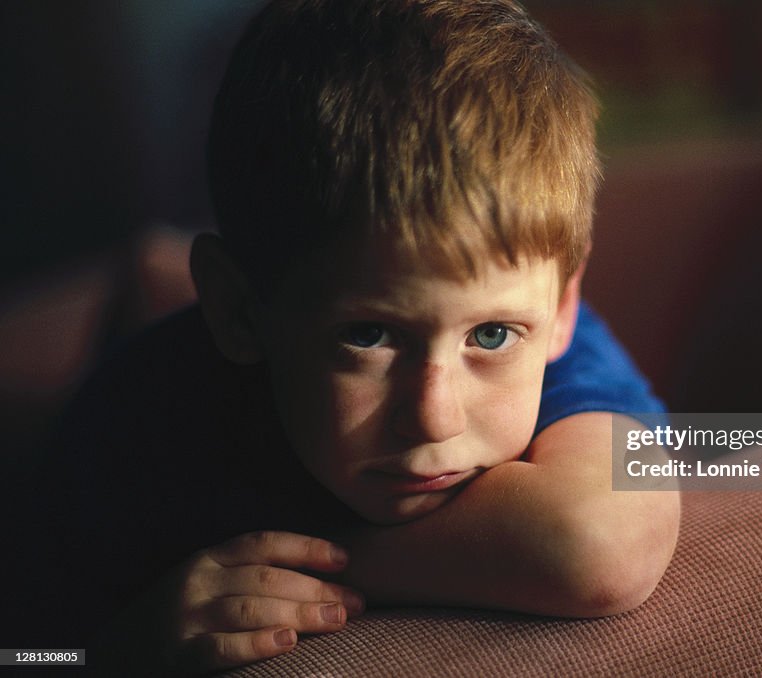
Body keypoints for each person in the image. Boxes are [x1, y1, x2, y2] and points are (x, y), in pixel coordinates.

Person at [27, 0, 680, 673]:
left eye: (488, 337)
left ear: (564, 305)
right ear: (238, 311)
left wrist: (323, 560)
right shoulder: (132, 432)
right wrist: (115, 653)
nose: (434, 417)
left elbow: (599, 541)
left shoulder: (557, 344)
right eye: (369, 335)